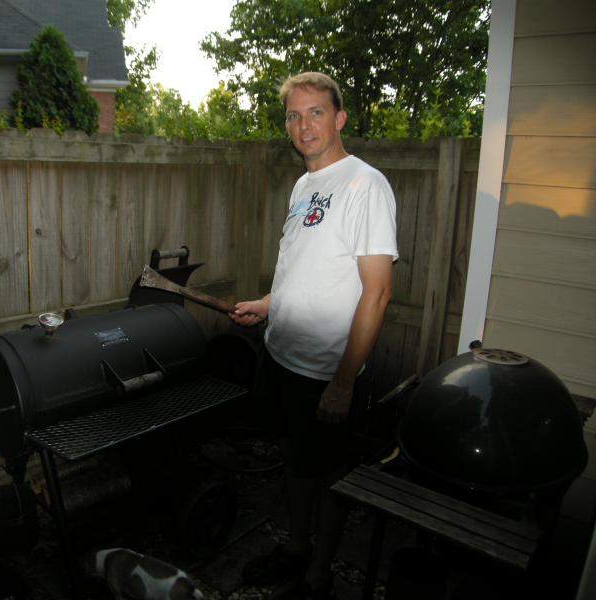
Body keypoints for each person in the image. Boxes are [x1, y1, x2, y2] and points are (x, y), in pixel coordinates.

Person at [230, 72, 398, 599]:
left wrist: (344, 382)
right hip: (282, 356)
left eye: (316, 112)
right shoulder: (304, 186)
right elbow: (303, 269)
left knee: (328, 479)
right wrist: (267, 303)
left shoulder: (365, 185)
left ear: (340, 118)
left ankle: (319, 576)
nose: (304, 125)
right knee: (295, 467)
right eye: (294, 115)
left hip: (326, 371)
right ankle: (296, 549)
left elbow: (377, 294)